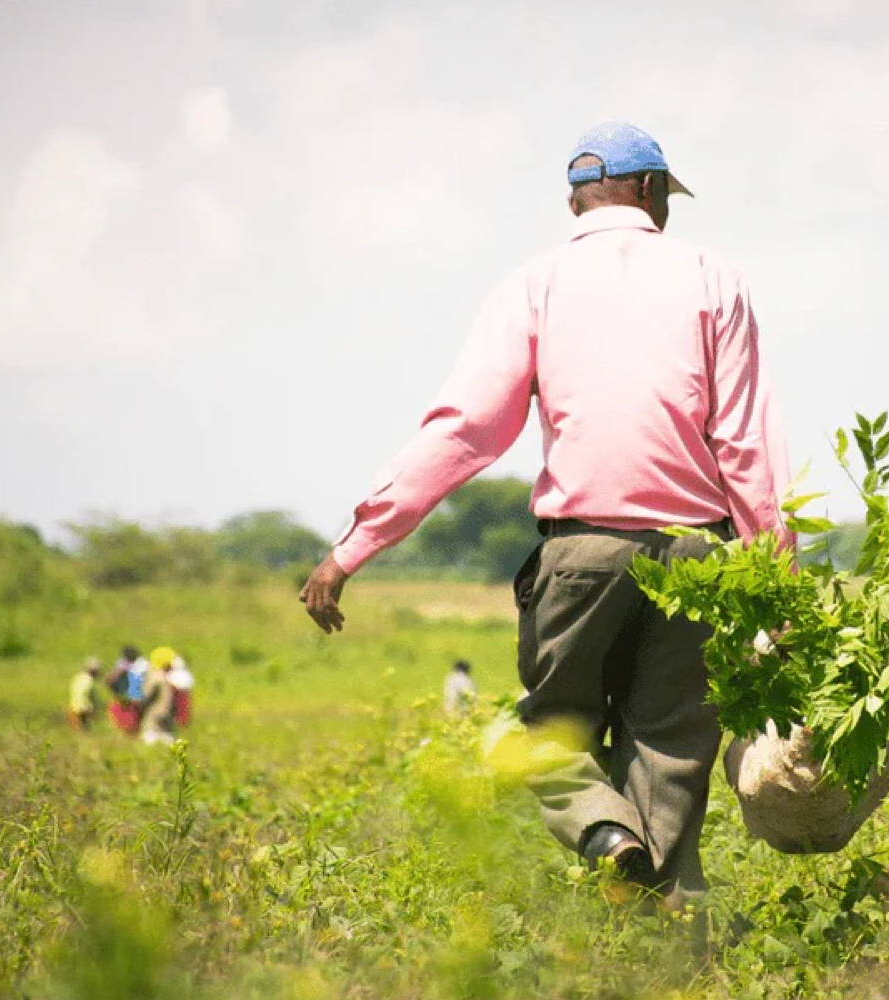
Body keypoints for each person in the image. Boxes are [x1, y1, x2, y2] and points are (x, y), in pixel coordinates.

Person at [299, 120, 792, 909]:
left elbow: (464, 433)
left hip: (584, 553)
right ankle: (663, 937)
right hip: (701, 560)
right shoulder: (715, 280)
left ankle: (604, 834)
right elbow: (746, 448)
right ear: (651, 190)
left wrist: (354, 548)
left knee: (552, 730)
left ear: (576, 201)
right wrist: (778, 581)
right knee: (667, 754)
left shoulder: (533, 286)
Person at [138, 646, 178, 746]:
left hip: (164, 719)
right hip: (154, 720)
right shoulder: (156, 678)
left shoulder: (164, 677)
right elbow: (146, 696)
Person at [106, 645, 143, 735]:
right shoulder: (125, 666)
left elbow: (108, 681)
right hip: (127, 697)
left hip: (125, 697)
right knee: (129, 723)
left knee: (127, 722)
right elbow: (110, 680)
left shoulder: (122, 665)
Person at [68, 657, 104, 730]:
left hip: (73, 706)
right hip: (82, 709)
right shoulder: (89, 682)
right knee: (84, 729)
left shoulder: (78, 677)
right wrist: (94, 710)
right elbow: (88, 698)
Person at [168, 654, 195, 729]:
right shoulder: (186, 674)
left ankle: (180, 724)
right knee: (183, 710)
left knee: (179, 710)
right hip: (184, 695)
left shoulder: (173, 674)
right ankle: (183, 724)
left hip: (178, 695)